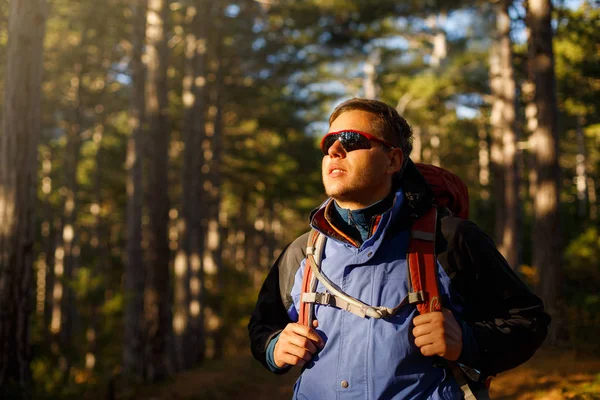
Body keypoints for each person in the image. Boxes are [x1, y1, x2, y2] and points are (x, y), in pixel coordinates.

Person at [248, 98, 550, 399]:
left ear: (393, 160)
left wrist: (467, 341)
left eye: (351, 140)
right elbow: (263, 327)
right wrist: (275, 346)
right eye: (329, 142)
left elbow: (528, 320)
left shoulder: (449, 239)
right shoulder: (303, 251)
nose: (334, 150)